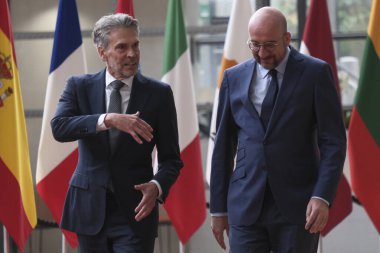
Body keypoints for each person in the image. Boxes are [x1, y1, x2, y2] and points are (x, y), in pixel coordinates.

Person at [210, 7, 346, 253]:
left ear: (287, 38)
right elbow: (223, 146)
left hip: (298, 205)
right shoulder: (233, 78)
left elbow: (333, 142)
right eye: (255, 45)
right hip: (245, 203)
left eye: (270, 44)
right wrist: (218, 209)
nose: (262, 53)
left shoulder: (316, 73)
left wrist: (322, 196)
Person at [51, 13, 183, 253]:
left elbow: (172, 160)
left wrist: (157, 186)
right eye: (122, 47)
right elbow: (59, 127)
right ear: (102, 52)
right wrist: (107, 119)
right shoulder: (78, 86)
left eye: (135, 45)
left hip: (136, 211)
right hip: (89, 210)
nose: (132, 54)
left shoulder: (159, 94)